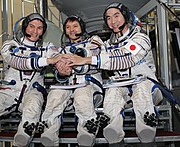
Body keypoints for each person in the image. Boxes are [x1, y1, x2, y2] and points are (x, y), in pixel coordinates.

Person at [67, 2, 163, 146]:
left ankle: (147, 134)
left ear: (125, 16)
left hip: (147, 86)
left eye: (116, 16)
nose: (113, 21)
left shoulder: (140, 38)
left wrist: (86, 59)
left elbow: (125, 58)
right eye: (108, 18)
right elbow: (97, 51)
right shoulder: (108, 44)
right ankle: (114, 135)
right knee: (112, 91)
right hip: (122, 86)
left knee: (141, 89)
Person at [0, 13, 64, 147]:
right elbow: (18, 62)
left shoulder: (47, 47)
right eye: (32, 26)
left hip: (33, 91)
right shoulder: (10, 45)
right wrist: (48, 60)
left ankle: (20, 143)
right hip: (8, 92)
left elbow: (57, 57)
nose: (35, 31)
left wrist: (61, 65)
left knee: (31, 114)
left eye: (39, 28)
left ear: (43, 31)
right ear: (25, 27)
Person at [38, 15, 105, 147]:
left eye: (75, 26)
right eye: (68, 27)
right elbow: (58, 71)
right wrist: (62, 73)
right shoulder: (62, 50)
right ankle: (49, 132)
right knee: (54, 95)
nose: (71, 30)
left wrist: (77, 62)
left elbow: (95, 58)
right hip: (68, 88)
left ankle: (87, 132)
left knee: (82, 96)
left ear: (82, 28)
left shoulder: (94, 41)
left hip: (90, 86)